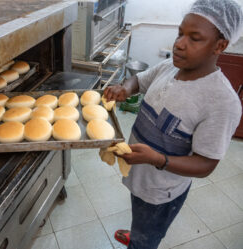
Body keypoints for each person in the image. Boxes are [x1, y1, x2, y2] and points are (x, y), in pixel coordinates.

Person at [103, 0, 243, 248]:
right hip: (140, 174)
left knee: (148, 235)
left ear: (220, 46)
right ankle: (137, 232)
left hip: (162, 192)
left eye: (194, 38)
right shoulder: (170, 66)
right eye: (180, 33)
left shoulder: (222, 102)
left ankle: (140, 241)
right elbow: (139, 80)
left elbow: (206, 164)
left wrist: (157, 159)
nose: (179, 43)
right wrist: (124, 88)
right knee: (140, 214)